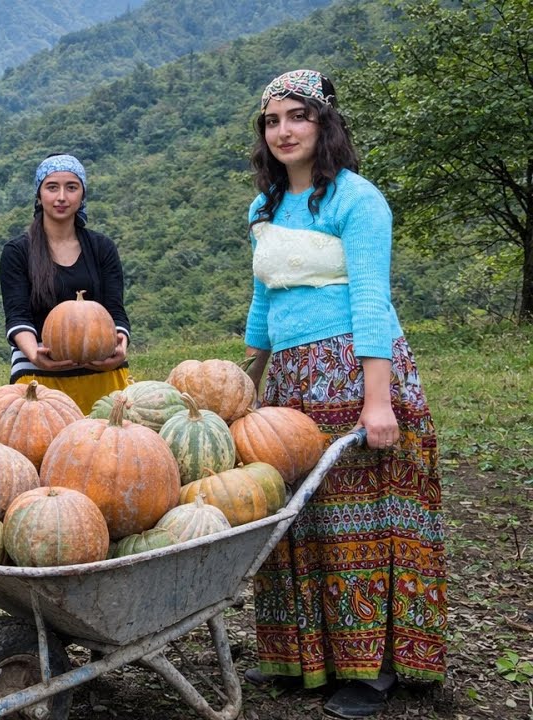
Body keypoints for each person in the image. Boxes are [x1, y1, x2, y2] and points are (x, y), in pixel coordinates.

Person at [242, 69, 447, 719]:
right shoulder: (265, 209)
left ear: (324, 124)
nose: (284, 131)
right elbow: (262, 303)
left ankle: (378, 669)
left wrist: (377, 401)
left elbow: (369, 300)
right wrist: (243, 389)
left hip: (356, 372)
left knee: (362, 517)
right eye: (273, 121)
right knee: (299, 517)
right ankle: (310, 657)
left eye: (297, 117)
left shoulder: (358, 201)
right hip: (291, 387)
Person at [0, 153, 132, 414]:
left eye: (71, 187)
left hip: (102, 372)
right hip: (39, 380)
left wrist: (120, 346)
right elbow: (17, 318)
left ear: (83, 194)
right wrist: (36, 355)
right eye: (52, 187)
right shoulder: (18, 252)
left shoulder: (102, 248)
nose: (61, 197)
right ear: (39, 195)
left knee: (109, 449)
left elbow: (115, 311)